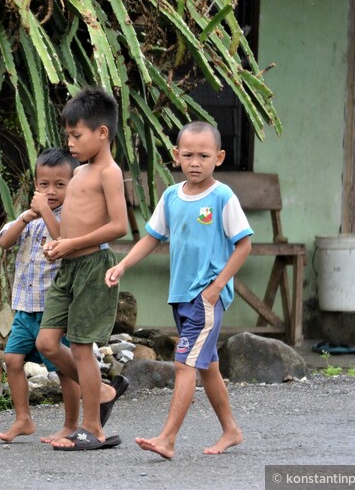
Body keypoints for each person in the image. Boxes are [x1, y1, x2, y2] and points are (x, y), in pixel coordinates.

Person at [104, 121, 252, 460]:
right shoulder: (171, 196)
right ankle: (231, 430)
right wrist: (123, 265)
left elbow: (244, 246)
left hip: (205, 298)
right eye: (188, 155)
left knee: (184, 364)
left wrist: (215, 289)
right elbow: (152, 237)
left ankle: (167, 438)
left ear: (219, 157)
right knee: (207, 366)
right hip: (181, 296)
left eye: (204, 155)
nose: (195, 162)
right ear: (176, 156)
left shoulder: (222, 197)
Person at [35, 87, 130, 451]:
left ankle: (93, 429)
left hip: (93, 266)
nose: (70, 143)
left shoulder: (109, 172)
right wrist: (55, 244)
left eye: (77, 135)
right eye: (68, 136)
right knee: (46, 342)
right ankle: (103, 391)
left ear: (102, 133)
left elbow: (119, 226)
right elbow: (67, 231)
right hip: (69, 268)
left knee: (80, 347)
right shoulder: (79, 174)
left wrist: (71, 245)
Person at [0, 148, 82, 444]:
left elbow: (64, 241)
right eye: (44, 185)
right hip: (24, 308)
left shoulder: (71, 216)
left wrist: (45, 212)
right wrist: (27, 217)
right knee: (12, 358)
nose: (51, 191)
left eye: (60, 184)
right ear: (35, 185)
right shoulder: (28, 217)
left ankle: (71, 424)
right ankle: (24, 419)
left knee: (64, 370)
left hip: (54, 310)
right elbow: (5, 241)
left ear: (73, 184)